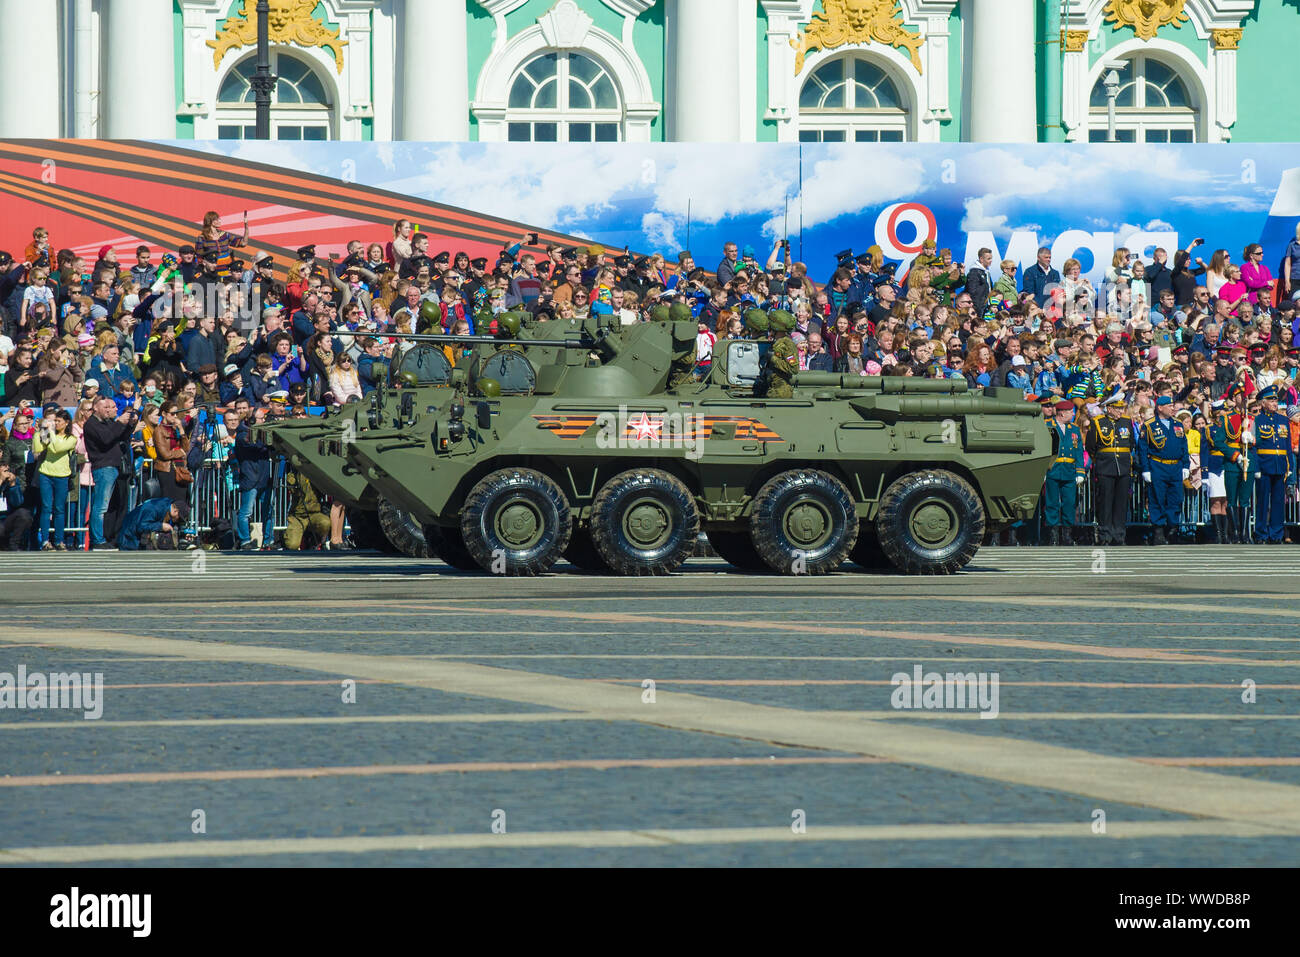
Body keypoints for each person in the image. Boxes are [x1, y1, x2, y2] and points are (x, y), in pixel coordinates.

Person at [82, 395, 137, 550]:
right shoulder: (91, 424)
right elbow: (107, 439)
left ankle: (105, 538)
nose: (108, 410)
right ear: (96, 408)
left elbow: (120, 436)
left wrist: (129, 425)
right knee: (100, 506)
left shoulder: (108, 422)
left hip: (113, 467)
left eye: (109, 407)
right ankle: (97, 540)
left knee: (109, 505)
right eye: (105, 407)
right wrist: (120, 422)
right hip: (103, 467)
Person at [1136, 395, 1190, 545]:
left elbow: (1183, 447)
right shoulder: (1149, 425)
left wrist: (1186, 465)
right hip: (1158, 465)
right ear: (1160, 408)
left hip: (1175, 466)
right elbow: (1143, 448)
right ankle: (1158, 531)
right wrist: (1145, 469)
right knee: (1157, 499)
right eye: (1169, 405)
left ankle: (1172, 529)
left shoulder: (1177, 424)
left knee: (1176, 498)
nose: (1173, 408)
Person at [1210, 384, 1254, 543]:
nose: (1244, 398)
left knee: (1245, 499)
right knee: (1232, 498)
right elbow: (1219, 442)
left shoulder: (1251, 418)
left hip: (1249, 461)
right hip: (1233, 462)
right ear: (1234, 398)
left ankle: (1245, 534)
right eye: (1240, 395)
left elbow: (1260, 440)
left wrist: (1252, 439)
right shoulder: (1226, 418)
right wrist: (1236, 456)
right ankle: (1234, 533)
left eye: (1246, 395)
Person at [1251, 385, 1294, 544]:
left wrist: (1290, 468)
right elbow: (1254, 446)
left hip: (1280, 464)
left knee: (1278, 502)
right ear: (1263, 403)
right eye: (1271, 400)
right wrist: (1256, 467)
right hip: (1264, 465)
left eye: (1276, 399)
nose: (1275, 403)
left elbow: (1287, 446)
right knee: (1262, 502)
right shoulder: (1257, 419)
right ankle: (1261, 533)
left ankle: (1276, 534)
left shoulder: (1283, 420)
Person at [32, 409, 76, 551]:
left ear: (66, 422)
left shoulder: (71, 439)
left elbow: (57, 448)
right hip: (46, 473)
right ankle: (45, 541)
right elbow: (39, 448)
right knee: (46, 507)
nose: (56, 423)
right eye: (55, 421)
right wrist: (40, 432)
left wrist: (48, 432)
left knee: (59, 509)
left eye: (58, 421)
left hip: (62, 476)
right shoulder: (50, 434)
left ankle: (59, 540)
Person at [1044, 400, 1086, 545]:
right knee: (1052, 503)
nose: (1073, 414)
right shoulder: (1048, 426)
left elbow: (1079, 451)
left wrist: (1080, 472)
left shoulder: (1074, 429)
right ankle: (1053, 535)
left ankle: (1067, 534)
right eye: (1070, 412)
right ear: (1062, 413)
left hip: (1069, 471)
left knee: (1069, 503)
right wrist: (1043, 470)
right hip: (1053, 469)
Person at [283, 470, 332, 551]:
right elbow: (293, 490)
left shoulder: (316, 474)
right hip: (298, 516)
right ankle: (285, 537)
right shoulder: (293, 475)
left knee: (325, 523)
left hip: (314, 514)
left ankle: (316, 540)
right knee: (292, 545)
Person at [118, 497, 186, 551]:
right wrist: (161, 526)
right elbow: (141, 526)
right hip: (129, 540)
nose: (178, 520)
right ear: (175, 511)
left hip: (138, 539)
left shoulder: (167, 506)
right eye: (179, 518)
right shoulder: (153, 509)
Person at [0, 460, 33, 551]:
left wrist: (13, 485)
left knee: (24, 514)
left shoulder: (12, 481)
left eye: (7, 469)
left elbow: (17, 503)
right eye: (3, 469)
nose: (7, 472)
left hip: (6, 519)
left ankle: (13, 544)